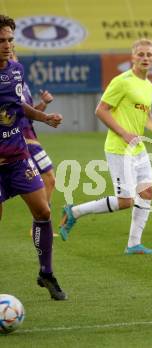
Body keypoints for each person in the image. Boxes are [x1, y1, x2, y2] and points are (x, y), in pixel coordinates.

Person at [59, 38, 152, 255]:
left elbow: (144, 112)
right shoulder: (122, 81)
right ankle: (75, 212)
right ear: (132, 57)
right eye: (141, 54)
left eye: (149, 54)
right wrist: (124, 133)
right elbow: (101, 110)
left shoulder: (148, 85)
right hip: (119, 147)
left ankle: (133, 244)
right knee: (125, 201)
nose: (145, 58)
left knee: (147, 192)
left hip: (138, 147)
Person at [0, 14, 67, 300]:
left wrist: (44, 116)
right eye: (1, 40)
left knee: (44, 212)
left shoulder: (16, 69)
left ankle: (46, 273)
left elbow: (20, 106)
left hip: (17, 157)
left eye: (10, 40)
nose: (6, 45)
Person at [11, 51, 58, 236]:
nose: (14, 56)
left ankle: (40, 224)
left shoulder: (23, 85)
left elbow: (29, 113)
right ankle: (40, 225)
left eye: (15, 53)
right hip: (23, 139)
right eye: (12, 55)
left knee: (48, 179)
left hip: (29, 135)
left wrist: (44, 104)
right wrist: (46, 116)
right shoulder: (9, 84)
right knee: (49, 178)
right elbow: (19, 113)